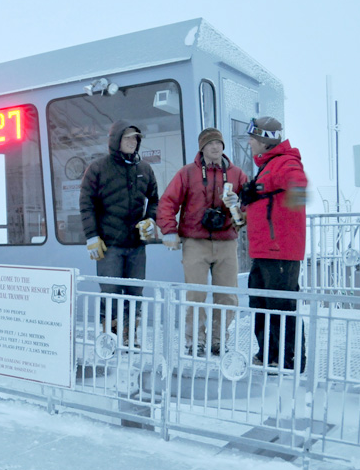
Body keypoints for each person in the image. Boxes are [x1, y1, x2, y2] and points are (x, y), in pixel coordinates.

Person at [223, 116, 308, 371]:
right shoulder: (269, 165)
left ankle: (291, 360)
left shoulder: (287, 162)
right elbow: (272, 204)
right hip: (264, 251)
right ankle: (269, 355)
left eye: (252, 138)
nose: (248, 143)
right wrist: (243, 211)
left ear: (264, 141)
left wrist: (258, 187)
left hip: (281, 251)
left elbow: (298, 188)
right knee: (260, 304)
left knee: (281, 306)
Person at [157, 128, 248, 357]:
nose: (215, 147)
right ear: (202, 148)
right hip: (195, 241)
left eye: (218, 143)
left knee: (227, 295)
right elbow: (168, 202)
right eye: (210, 144)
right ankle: (194, 340)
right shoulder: (187, 173)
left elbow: (250, 205)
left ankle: (218, 339)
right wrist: (169, 230)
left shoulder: (237, 175)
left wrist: (239, 208)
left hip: (227, 241)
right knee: (195, 294)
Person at [80, 120, 159, 348]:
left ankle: (129, 336)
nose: (132, 142)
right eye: (127, 138)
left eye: (135, 138)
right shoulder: (98, 168)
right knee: (111, 292)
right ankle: (109, 338)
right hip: (109, 245)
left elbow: (154, 199)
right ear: (116, 141)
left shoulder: (144, 169)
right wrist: (92, 236)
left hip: (136, 244)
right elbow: (86, 204)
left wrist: (150, 219)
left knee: (135, 292)